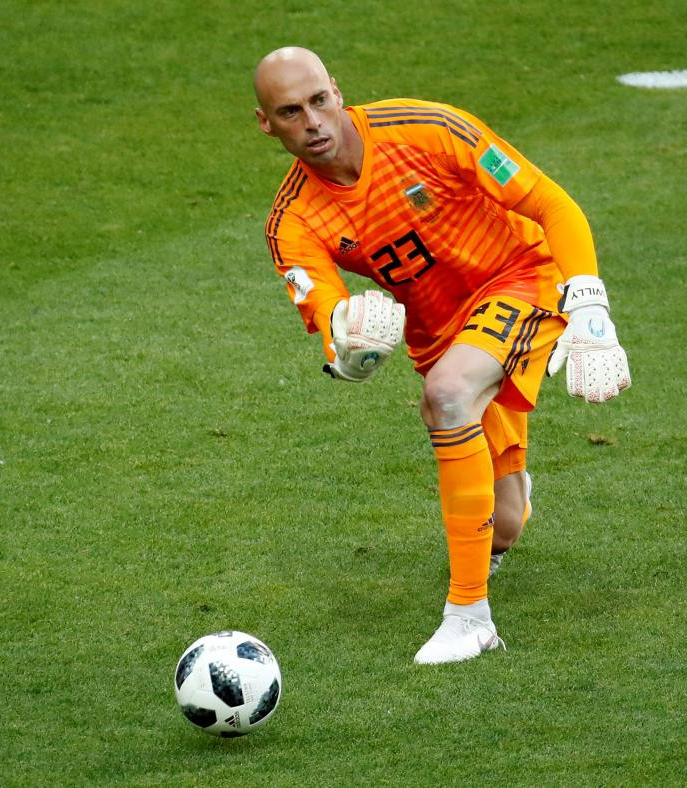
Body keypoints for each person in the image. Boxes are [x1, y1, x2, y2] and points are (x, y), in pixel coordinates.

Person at [253, 47, 630, 665]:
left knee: (447, 395)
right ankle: (508, 505)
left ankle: (469, 618)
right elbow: (334, 326)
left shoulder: (428, 130)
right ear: (267, 124)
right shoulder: (291, 222)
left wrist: (589, 303)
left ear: (337, 91)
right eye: (291, 112)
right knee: (503, 526)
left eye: (319, 101)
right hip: (440, 337)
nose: (313, 122)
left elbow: (550, 204)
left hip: (518, 276)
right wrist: (352, 348)